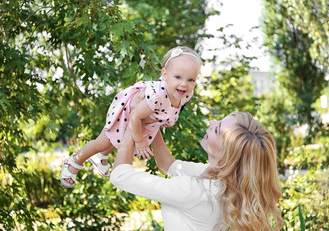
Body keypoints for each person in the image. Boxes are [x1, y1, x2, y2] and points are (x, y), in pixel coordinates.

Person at [110, 111, 284, 230]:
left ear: (225, 154)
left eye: (217, 129)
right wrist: (151, 121)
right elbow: (168, 165)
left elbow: (119, 175)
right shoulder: (224, 181)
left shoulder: (193, 190)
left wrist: (133, 118)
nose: (211, 122)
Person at [60, 46, 201, 188]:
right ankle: (74, 162)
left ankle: (100, 156)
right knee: (103, 142)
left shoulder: (185, 94)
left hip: (145, 117)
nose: (184, 84)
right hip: (128, 110)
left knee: (118, 139)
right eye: (178, 77)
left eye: (191, 80)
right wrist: (140, 142)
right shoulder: (157, 96)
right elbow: (135, 116)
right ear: (165, 74)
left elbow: (167, 110)